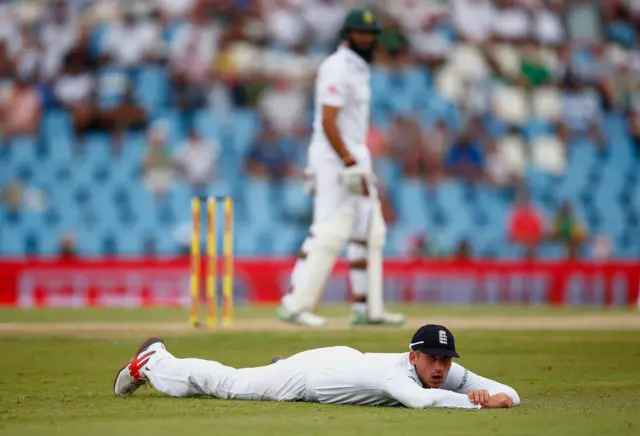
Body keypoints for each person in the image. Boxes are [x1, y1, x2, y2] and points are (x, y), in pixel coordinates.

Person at [276, 9, 405, 327]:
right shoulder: (336, 67)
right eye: (363, 33)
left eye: (372, 34)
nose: (369, 39)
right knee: (329, 231)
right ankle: (295, 305)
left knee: (370, 230)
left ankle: (368, 309)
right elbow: (328, 122)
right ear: (348, 34)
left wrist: (356, 159)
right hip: (335, 159)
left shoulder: (360, 68)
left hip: (354, 157)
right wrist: (347, 160)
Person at [114, 324, 520, 410]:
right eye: (433, 358)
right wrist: (481, 405)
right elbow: (422, 403)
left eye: (446, 359)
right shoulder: (397, 375)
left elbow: (511, 393)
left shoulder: (442, 373)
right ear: (414, 356)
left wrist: (496, 394)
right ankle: (155, 360)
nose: (441, 367)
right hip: (310, 377)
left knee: (252, 377)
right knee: (229, 384)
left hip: (341, 360)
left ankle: (278, 364)